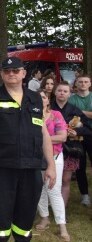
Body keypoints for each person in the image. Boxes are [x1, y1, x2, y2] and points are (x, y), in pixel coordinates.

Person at [0, 57, 56, 242]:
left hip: (31, 167)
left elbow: (44, 134)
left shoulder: (36, 98)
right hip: (2, 167)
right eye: (7, 71)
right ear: (2, 75)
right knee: (1, 218)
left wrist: (50, 165)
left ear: (23, 73)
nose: (11, 74)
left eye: (15, 70)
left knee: (25, 218)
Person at [34, 89, 69, 241]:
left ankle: (62, 225)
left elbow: (62, 137)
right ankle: (44, 217)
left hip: (54, 157)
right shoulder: (30, 116)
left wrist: (42, 139)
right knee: (39, 189)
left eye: (43, 97)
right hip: (35, 159)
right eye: (37, 97)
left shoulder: (56, 115)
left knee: (53, 189)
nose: (40, 100)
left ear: (48, 100)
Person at [51, 82, 92, 207]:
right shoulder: (48, 107)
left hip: (70, 148)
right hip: (52, 148)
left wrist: (77, 131)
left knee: (66, 179)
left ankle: (62, 209)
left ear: (70, 94)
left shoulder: (74, 110)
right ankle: (49, 205)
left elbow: (89, 127)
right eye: (60, 91)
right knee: (51, 179)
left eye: (65, 91)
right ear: (55, 92)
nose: (62, 93)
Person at [68, 74, 92, 206]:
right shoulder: (71, 100)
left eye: (86, 82)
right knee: (80, 166)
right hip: (78, 136)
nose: (83, 84)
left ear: (90, 84)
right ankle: (85, 196)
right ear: (76, 84)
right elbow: (70, 118)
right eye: (80, 82)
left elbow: (77, 115)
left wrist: (80, 113)